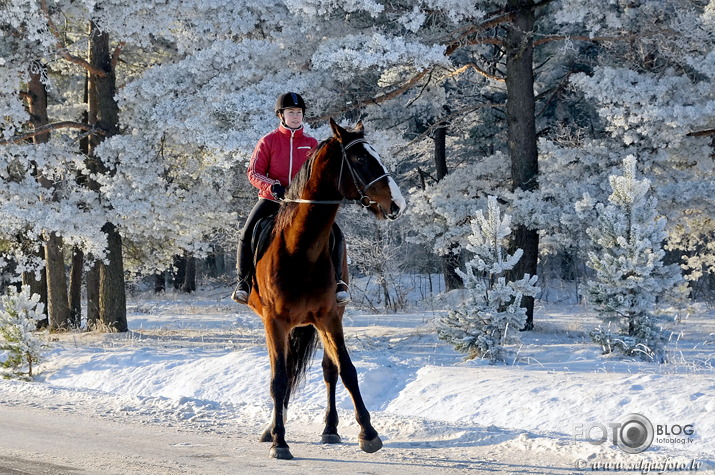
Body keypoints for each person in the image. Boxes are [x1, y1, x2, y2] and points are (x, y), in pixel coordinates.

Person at [232, 92, 351, 306]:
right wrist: (272, 187)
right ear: (281, 115)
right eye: (290, 112)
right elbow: (253, 172)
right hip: (272, 200)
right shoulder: (268, 141)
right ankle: (243, 283)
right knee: (248, 232)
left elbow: (318, 175)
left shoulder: (311, 143)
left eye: (298, 112)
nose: (295, 116)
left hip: (302, 205)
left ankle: (339, 283)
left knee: (336, 233)